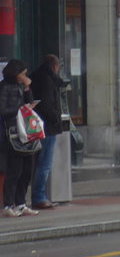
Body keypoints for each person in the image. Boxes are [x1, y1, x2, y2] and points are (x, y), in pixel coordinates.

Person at [29, 53, 70, 210]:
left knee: (39, 163)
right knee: (44, 163)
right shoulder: (47, 81)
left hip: (39, 126)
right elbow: (46, 105)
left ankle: (38, 195)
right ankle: (39, 196)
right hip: (47, 127)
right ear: (54, 66)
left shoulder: (39, 77)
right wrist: (55, 118)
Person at [1, 59, 39, 217]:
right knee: (14, 170)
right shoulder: (5, 87)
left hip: (24, 131)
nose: (24, 77)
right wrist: (20, 109)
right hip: (12, 131)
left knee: (26, 170)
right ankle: (8, 204)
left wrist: (27, 88)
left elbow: (29, 101)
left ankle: (21, 202)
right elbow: (3, 110)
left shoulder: (19, 86)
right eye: (22, 74)